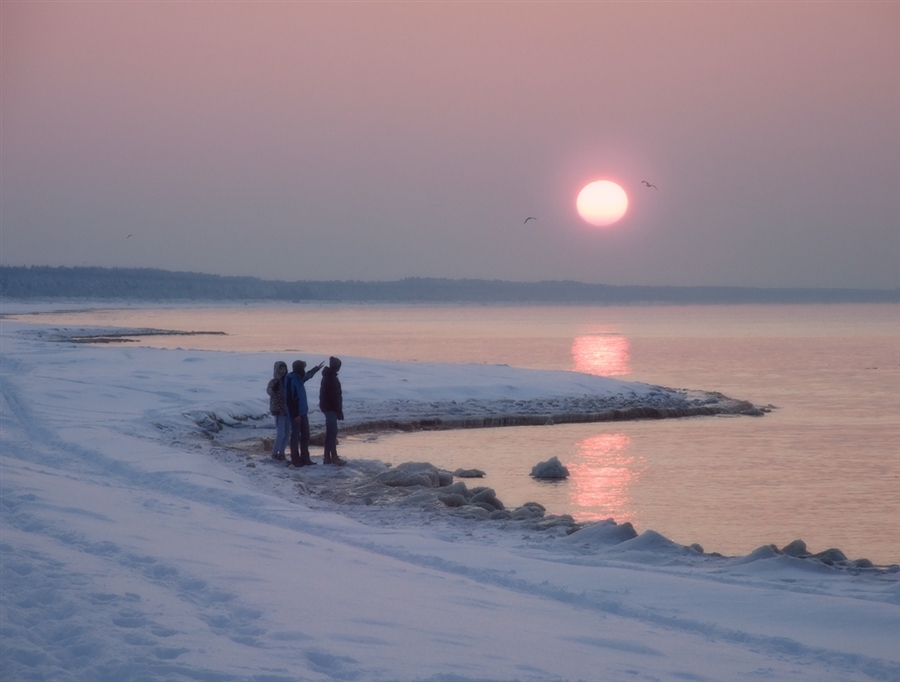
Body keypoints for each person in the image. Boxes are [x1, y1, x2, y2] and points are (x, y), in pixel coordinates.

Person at [284, 359, 324, 467]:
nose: (304, 370)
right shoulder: (291, 379)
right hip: (296, 414)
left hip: (303, 412)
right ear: (299, 369)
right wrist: (295, 414)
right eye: (303, 367)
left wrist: (316, 369)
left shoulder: (299, 377)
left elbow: (307, 376)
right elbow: (289, 399)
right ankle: (295, 459)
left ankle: (305, 458)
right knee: (295, 436)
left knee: (305, 435)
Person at [318, 356, 345, 465]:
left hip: (327, 407)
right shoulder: (331, 378)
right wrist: (339, 410)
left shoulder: (328, 377)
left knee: (330, 432)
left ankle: (327, 457)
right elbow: (334, 396)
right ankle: (333, 456)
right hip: (330, 408)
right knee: (332, 432)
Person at [266, 361, 290, 461]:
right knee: (280, 433)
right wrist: (274, 388)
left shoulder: (288, 380)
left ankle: (282, 452)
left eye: (284, 368)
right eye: (281, 369)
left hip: (288, 410)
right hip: (278, 410)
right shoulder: (273, 381)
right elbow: (269, 391)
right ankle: (275, 453)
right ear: (277, 370)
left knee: (287, 433)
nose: (283, 371)